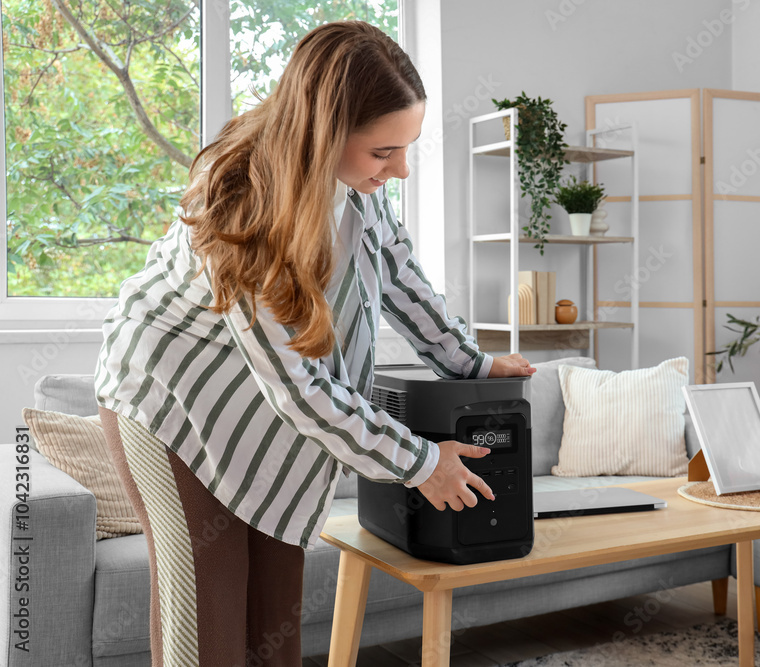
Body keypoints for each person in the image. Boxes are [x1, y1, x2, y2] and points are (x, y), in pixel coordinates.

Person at [95, 20, 535, 666]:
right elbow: (302, 392)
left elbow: (404, 281)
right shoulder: (242, 204)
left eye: (406, 148)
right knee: (208, 615)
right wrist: (420, 462)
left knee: (275, 617)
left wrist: (471, 364)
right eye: (385, 152)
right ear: (326, 131)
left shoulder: (357, 189)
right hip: (168, 398)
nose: (402, 169)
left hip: (260, 398)